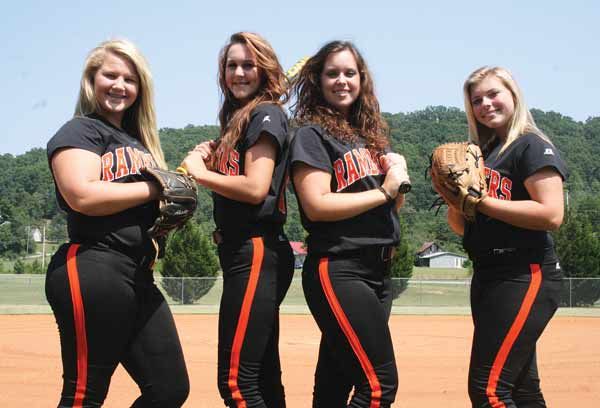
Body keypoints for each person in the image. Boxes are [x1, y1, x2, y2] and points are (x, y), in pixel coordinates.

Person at [45, 39, 189, 407]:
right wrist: (154, 187)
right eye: (110, 75)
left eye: (130, 79)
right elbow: (83, 196)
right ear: (91, 80)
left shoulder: (138, 142)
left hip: (138, 273)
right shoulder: (80, 131)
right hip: (93, 265)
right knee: (85, 394)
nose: (119, 85)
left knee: (169, 389)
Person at [434, 66, 567, 407]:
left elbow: (551, 214)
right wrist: (455, 201)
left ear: (513, 94)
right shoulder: (483, 154)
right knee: (522, 388)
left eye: (493, 94)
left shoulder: (530, 146)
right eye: (477, 100)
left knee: (488, 389)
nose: (486, 104)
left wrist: (483, 202)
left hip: (526, 273)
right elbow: (466, 226)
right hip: (489, 275)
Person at [289, 40, 410, 408]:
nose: (342, 80)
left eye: (349, 73)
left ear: (362, 79)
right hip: (340, 268)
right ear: (317, 80)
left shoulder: (368, 136)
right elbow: (317, 205)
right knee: (377, 386)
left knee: (335, 382)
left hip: (379, 272)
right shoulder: (311, 134)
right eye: (332, 73)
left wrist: (396, 177)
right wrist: (385, 192)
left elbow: (390, 208)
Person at [180, 32, 294, 407]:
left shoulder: (267, 113)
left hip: (256, 251)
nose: (239, 72)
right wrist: (213, 154)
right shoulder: (239, 118)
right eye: (232, 65)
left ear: (265, 69)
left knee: (237, 383)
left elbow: (254, 188)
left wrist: (199, 172)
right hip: (246, 253)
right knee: (261, 375)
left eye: (249, 64)